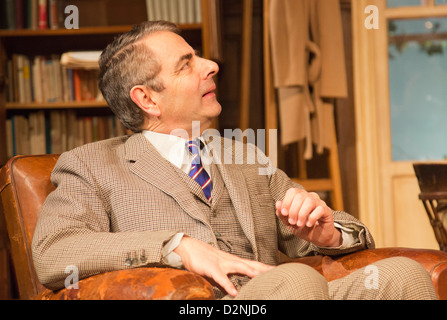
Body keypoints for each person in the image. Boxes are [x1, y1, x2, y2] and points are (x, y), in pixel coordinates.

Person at [31, 21, 437, 300]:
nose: (212, 66)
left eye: (199, 57)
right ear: (147, 99)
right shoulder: (90, 165)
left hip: (282, 293)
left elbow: (309, 234)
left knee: (401, 276)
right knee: (293, 281)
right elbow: (53, 252)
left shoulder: (242, 155)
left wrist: (329, 233)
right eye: (187, 64)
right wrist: (177, 246)